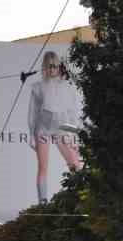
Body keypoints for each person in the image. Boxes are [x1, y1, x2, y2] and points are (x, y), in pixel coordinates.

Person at [28, 50, 83, 203]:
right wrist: (32, 135)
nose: (52, 69)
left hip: (62, 128)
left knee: (74, 163)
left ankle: (81, 195)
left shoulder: (67, 86)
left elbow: (73, 111)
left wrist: (74, 135)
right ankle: (42, 201)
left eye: (55, 65)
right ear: (44, 67)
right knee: (43, 166)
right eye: (49, 66)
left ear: (59, 66)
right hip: (43, 128)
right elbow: (32, 113)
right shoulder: (38, 87)